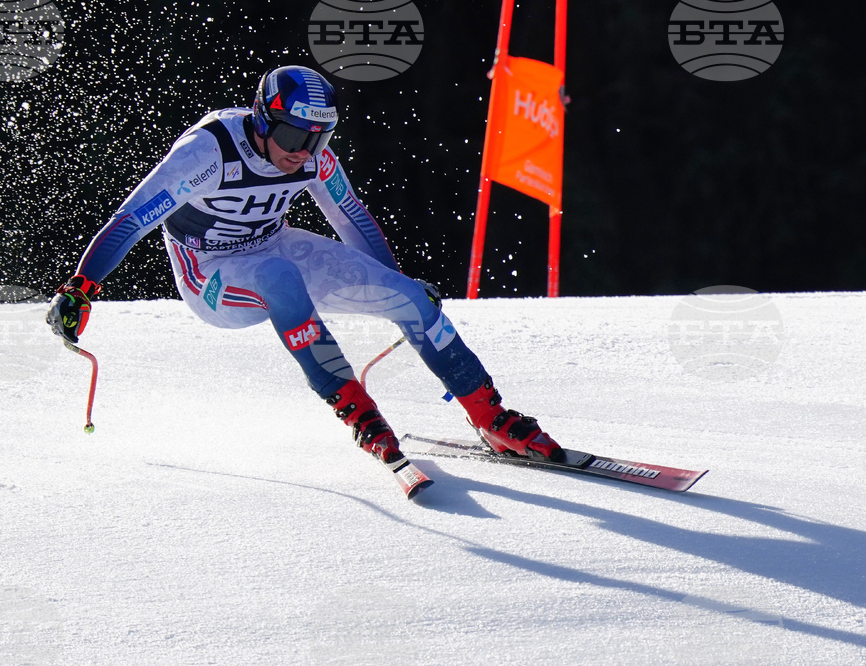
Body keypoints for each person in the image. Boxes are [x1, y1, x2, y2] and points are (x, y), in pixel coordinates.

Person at [46, 65, 561, 468]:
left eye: (321, 137)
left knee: (412, 300)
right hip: (209, 272)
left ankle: (490, 417)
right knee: (279, 277)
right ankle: (360, 413)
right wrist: (81, 287)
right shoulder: (207, 152)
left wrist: (398, 283)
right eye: (294, 138)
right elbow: (131, 220)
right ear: (263, 120)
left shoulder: (314, 156)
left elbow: (353, 219)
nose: (305, 152)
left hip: (273, 243)